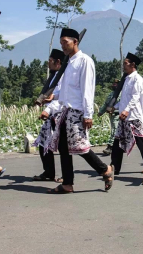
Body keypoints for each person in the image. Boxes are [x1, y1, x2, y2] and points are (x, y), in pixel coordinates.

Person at [47, 28, 114, 193]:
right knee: (64, 148)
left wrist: (88, 114)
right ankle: (67, 184)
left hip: (77, 112)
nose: (63, 46)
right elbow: (67, 91)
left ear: (75, 42)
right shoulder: (68, 63)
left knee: (80, 146)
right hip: (66, 111)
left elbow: (87, 90)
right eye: (61, 43)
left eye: (65, 42)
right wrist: (54, 97)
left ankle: (105, 169)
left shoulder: (85, 61)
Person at [110, 53, 143, 174]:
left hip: (134, 116)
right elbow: (125, 99)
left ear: (133, 64)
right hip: (125, 116)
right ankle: (114, 167)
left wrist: (126, 110)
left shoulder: (137, 79)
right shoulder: (126, 79)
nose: (124, 66)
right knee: (118, 141)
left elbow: (135, 97)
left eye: (125, 63)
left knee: (140, 141)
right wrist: (116, 107)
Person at [32, 49, 65, 182]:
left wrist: (48, 109)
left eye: (50, 61)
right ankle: (49, 172)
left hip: (59, 114)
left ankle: (66, 175)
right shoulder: (54, 76)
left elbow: (61, 98)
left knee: (64, 147)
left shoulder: (62, 77)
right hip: (51, 114)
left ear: (58, 62)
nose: (48, 63)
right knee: (43, 143)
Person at [98, 79, 120, 155]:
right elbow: (106, 104)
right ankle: (116, 147)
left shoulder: (123, 94)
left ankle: (110, 147)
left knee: (115, 131)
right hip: (113, 115)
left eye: (116, 84)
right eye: (114, 83)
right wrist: (101, 112)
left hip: (120, 115)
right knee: (116, 131)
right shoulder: (111, 94)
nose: (114, 85)